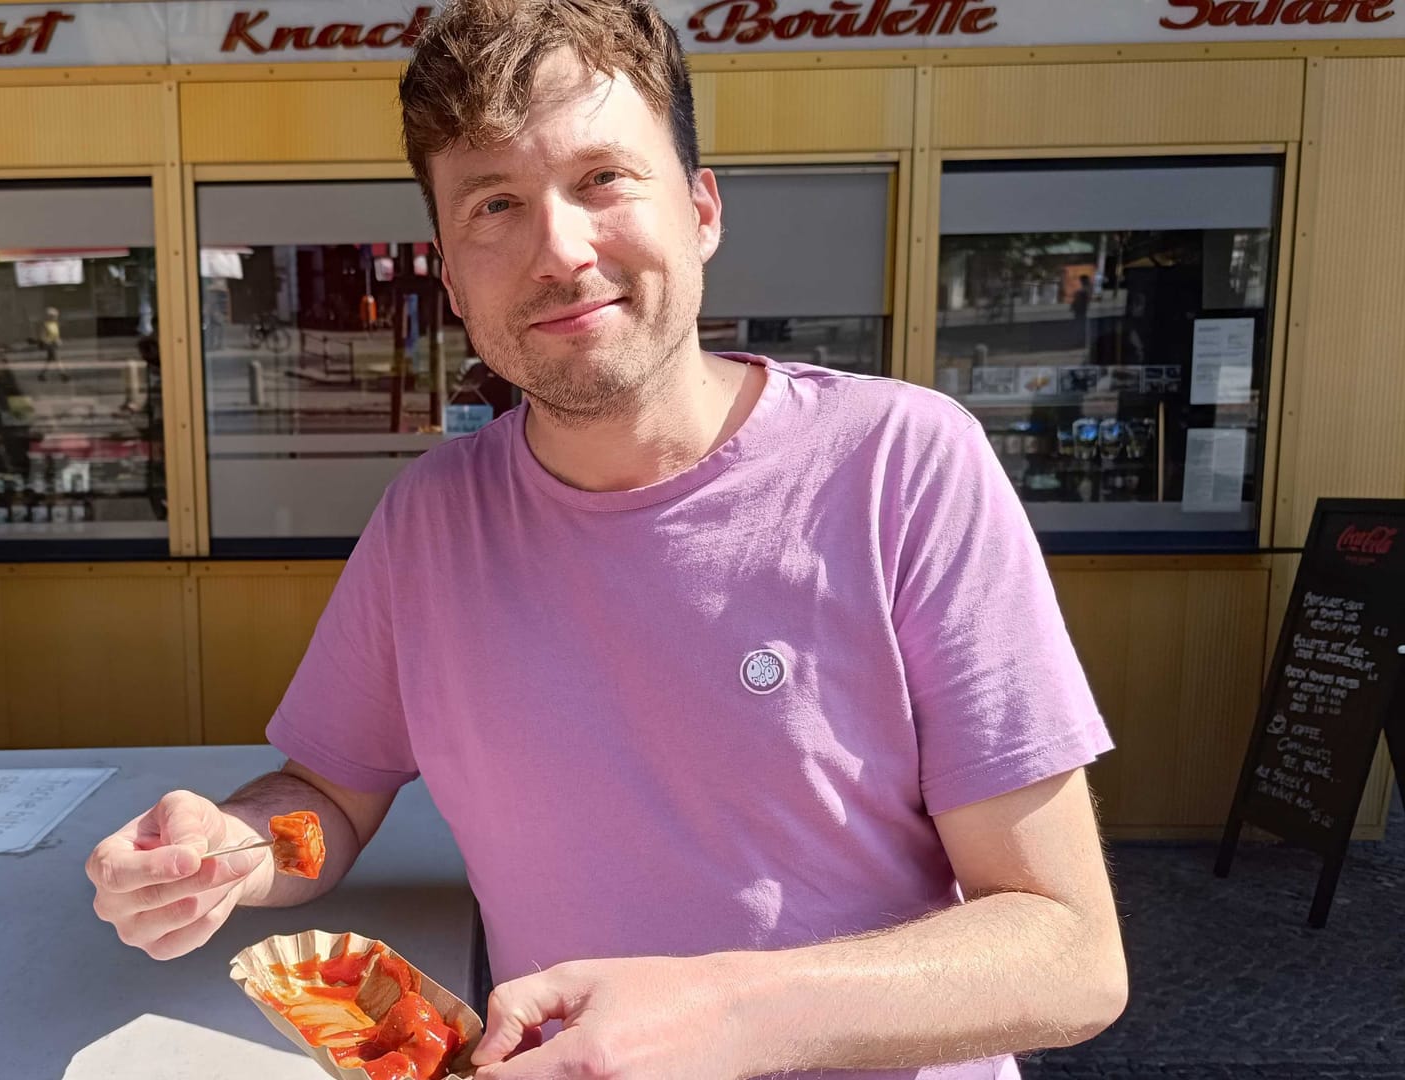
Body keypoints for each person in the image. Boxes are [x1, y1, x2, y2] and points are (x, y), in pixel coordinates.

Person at [87, 2, 1126, 1078]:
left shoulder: (901, 467)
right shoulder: (432, 523)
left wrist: (725, 1010)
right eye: (495, 203)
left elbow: (1069, 953)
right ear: (449, 271)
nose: (561, 249)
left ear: (702, 208)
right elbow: (329, 797)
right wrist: (228, 851)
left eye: (603, 180)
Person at [39, 306, 65, 380]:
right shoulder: (45, 325)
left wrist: (58, 340)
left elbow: (56, 335)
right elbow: (42, 336)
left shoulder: (55, 324)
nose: (56, 317)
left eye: (56, 316)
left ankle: (42, 375)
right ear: (50, 316)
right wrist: (46, 342)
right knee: (57, 359)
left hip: (54, 344)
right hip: (49, 345)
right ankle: (63, 374)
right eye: (55, 316)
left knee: (49, 360)